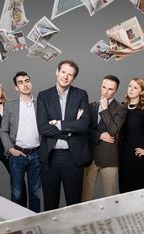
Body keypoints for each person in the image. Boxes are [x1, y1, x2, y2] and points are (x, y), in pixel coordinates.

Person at [37, 60, 91, 211]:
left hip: (73, 158)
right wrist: (71, 127)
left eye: (70, 75)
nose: (66, 77)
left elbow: (85, 124)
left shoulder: (81, 94)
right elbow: (42, 127)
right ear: (57, 72)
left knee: (74, 206)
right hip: (50, 158)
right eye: (63, 72)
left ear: (73, 78)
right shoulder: (44, 96)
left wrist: (58, 124)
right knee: (50, 205)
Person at [0, 71, 41, 212]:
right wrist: (11, 150)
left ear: (31, 83)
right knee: (17, 194)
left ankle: (35, 226)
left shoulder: (40, 103)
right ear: (16, 87)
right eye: (20, 82)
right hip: (17, 155)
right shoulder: (10, 105)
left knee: (36, 194)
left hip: (36, 155)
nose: (25, 84)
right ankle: (18, 226)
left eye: (27, 80)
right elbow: (3, 131)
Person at [82, 75, 126, 201]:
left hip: (109, 158)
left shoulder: (121, 109)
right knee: (85, 196)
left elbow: (113, 130)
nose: (106, 91)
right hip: (90, 157)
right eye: (104, 87)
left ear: (116, 90)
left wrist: (105, 108)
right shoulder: (91, 106)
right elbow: (84, 130)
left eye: (110, 89)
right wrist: (100, 135)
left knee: (111, 197)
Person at [119, 78, 144, 193]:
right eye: (130, 86)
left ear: (142, 92)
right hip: (122, 151)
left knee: (136, 188)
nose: (131, 89)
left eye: (135, 87)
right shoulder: (122, 106)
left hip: (137, 152)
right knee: (123, 187)